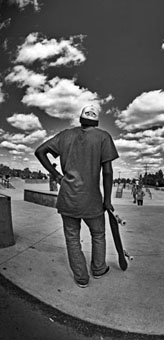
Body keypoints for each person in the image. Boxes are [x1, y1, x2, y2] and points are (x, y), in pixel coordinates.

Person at [35, 105, 119, 288]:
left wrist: (56, 175)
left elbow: (39, 151)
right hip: (92, 200)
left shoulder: (65, 135)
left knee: (72, 238)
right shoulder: (103, 137)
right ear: (96, 121)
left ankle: (81, 278)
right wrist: (107, 200)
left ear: (81, 119)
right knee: (98, 234)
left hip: (68, 198)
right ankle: (98, 268)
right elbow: (107, 172)